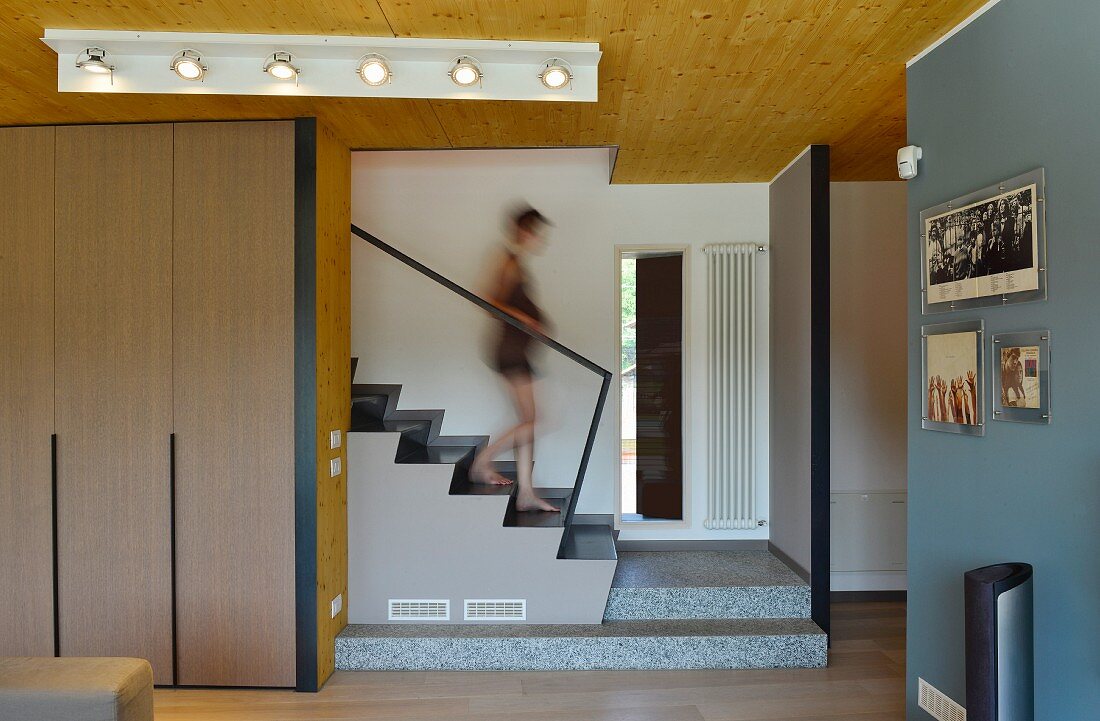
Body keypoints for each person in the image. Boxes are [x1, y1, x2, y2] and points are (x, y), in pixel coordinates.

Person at [468, 206, 560, 513]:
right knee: (534, 421)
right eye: (538, 233)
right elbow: (489, 300)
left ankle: (526, 493)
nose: (540, 240)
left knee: (529, 422)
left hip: (518, 351)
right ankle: (483, 461)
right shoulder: (508, 260)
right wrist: (527, 319)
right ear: (525, 231)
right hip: (510, 351)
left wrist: (535, 324)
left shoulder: (518, 263)